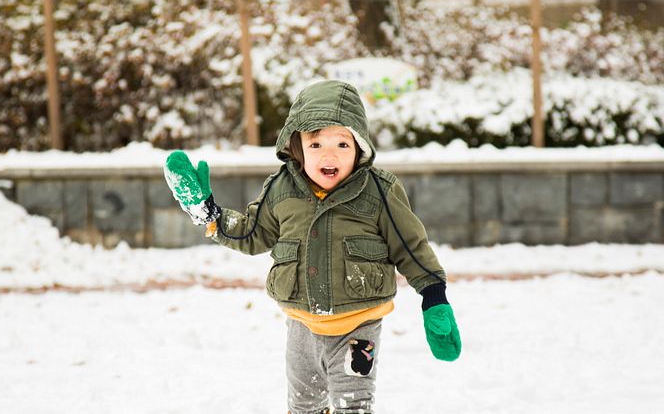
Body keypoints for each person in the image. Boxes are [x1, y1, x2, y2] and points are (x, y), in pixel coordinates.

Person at [163, 80, 461, 414]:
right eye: (316, 143)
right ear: (297, 147)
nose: (329, 154)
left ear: (360, 147)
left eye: (342, 144)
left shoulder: (378, 192)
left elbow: (411, 246)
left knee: (354, 406)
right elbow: (251, 234)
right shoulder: (281, 189)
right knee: (304, 407)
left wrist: (434, 298)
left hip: (357, 331)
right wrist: (210, 214)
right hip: (301, 329)